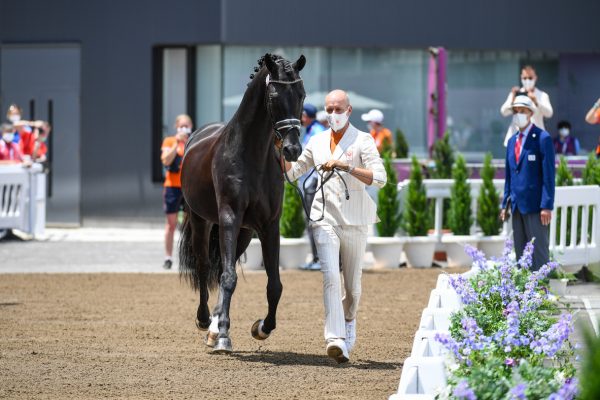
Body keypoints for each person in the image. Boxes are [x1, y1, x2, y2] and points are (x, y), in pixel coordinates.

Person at [283, 90, 387, 363]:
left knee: (352, 288)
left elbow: (380, 178)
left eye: (338, 109)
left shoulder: (363, 140)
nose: (333, 114)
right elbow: (292, 172)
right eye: (329, 109)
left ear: (349, 111)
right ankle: (335, 338)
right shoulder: (315, 141)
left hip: (355, 219)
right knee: (330, 276)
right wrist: (276, 147)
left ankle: (349, 322)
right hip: (323, 216)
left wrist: (346, 167)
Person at [500, 95, 555, 271]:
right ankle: (523, 295)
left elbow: (548, 175)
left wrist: (546, 205)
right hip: (516, 205)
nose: (518, 115)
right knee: (521, 254)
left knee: (539, 252)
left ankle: (542, 293)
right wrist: (505, 203)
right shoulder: (511, 142)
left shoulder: (542, 138)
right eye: (515, 111)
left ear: (530, 113)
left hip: (535, 206)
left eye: (522, 111)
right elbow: (509, 176)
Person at [160, 114, 193, 270]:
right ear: (176, 127)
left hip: (189, 187)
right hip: (172, 187)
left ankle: (189, 258)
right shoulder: (169, 141)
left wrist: (186, 142)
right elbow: (166, 160)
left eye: (187, 126)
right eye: (182, 126)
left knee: (190, 225)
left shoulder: (194, 141)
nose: (184, 128)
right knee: (171, 224)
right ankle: (168, 258)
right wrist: (177, 142)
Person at [300, 104, 326, 270]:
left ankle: (320, 259)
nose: (300, 118)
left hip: (313, 182)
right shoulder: (310, 130)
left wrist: (315, 181)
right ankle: (317, 258)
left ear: (308, 116)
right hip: (308, 182)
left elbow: (319, 158)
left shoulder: (316, 131)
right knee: (312, 222)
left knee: (315, 222)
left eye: (302, 115)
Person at [501, 65, 553, 146]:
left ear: (535, 78)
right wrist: (512, 100)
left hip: (535, 138)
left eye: (530, 78)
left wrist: (536, 101)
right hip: (516, 137)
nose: (527, 81)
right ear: (521, 78)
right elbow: (503, 112)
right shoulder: (515, 94)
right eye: (525, 78)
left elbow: (549, 113)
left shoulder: (542, 95)